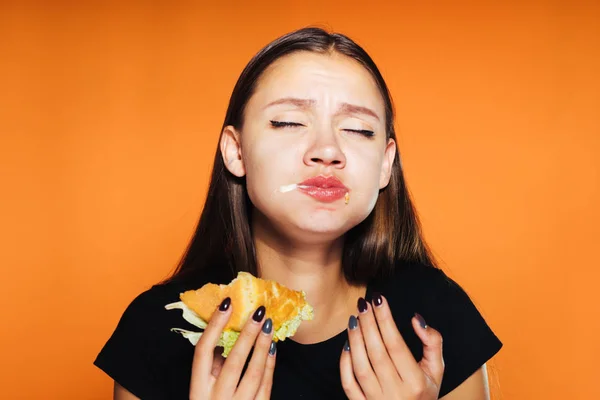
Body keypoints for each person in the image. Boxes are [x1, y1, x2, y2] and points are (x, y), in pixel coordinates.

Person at [94, 27, 503, 400]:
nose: (327, 150)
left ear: (384, 163)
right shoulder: (155, 330)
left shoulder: (437, 317)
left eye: (359, 130)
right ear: (236, 152)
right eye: (288, 122)